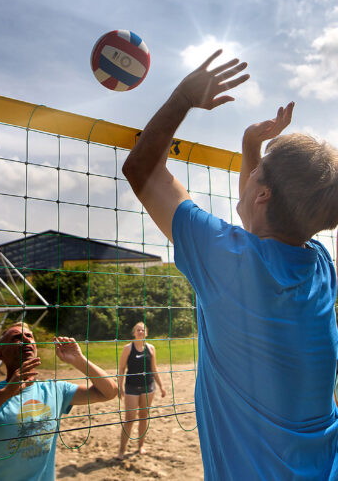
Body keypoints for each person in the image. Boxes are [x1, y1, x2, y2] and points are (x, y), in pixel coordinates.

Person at [122, 49, 338, 480]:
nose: (252, 175)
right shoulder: (320, 267)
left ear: (262, 194)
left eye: (258, 173)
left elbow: (141, 169)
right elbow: (261, 222)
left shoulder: (228, 258)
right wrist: (250, 147)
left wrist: (183, 96)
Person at [0, 322, 118, 480]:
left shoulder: (54, 389)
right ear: (0, 353)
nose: (25, 339)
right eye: (16, 338)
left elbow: (109, 392)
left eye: (29, 336)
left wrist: (79, 360)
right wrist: (6, 393)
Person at [117, 321, 166, 460]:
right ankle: (122, 449)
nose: (140, 332)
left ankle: (140, 446)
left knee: (144, 417)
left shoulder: (151, 348)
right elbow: (121, 368)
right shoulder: (128, 348)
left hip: (148, 387)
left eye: (143, 330)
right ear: (134, 333)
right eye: (138, 330)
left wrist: (161, 386)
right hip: (131, 387)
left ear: (147, 333)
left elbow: (154, 369)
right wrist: (119, 385)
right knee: (129, 419)